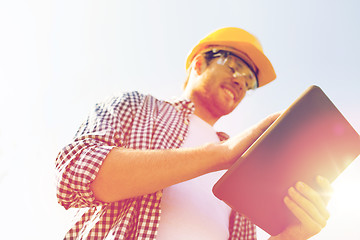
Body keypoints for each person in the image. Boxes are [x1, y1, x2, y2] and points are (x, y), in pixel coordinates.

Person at [55, 27, 333, 240]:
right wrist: (223, 154)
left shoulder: (244, 166)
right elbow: (73, 174)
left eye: (249, 81)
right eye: (233, 65)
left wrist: (290, 236)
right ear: (199, 64)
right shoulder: (136, 105)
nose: (240, 82)